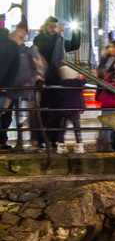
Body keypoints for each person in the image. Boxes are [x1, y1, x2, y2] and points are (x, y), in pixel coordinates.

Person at [32, 19, 68, 152]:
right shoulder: (39, 39)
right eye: (51, 26)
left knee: (57, 110)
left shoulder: (59, 39)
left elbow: (71, 46)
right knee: (44, 111)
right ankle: (43, 139)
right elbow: (46, 48)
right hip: (44, 79)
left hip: (56, 78)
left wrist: (75, 33)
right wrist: (57, 36)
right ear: (46, 27)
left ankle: (55, 139)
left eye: (55, 27)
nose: (53, 29)